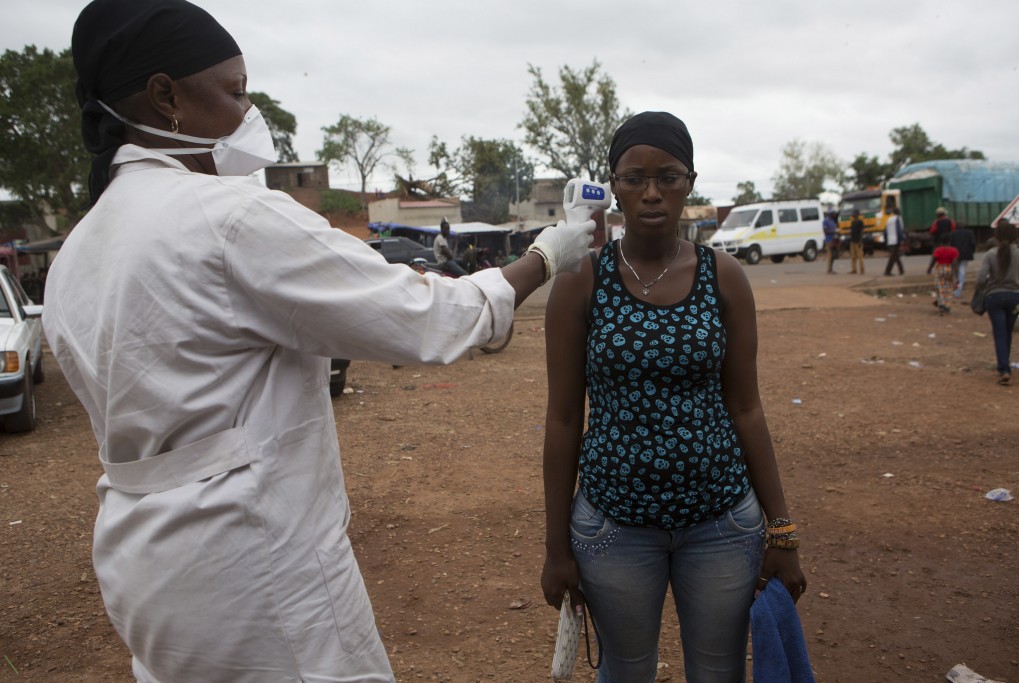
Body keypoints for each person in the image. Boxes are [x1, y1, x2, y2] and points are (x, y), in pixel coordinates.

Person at [44, 2, 597, 681]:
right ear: (167, 97)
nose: (250, 113)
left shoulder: (79, 249)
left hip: (143, 567)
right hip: (252, 564)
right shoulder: (225, 217)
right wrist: (544, 256)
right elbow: (423, 316)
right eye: (237, 90)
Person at [540, 111, 807, 683]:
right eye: (634, 178)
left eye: (668, 176)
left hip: (721, 524)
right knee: (626, 672)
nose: (652, 193)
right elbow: (563, 419)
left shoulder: (724, 275)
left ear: (690, 181)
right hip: (613, 526)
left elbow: (747, 408)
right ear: (613, 186)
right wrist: (555, 547)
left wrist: (781, 531)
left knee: (718, 674)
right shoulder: (580, 282)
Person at [975, 219, 1019, 385]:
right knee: (1008, 331)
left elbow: (981, 279)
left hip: (994, 298)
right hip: (1016, 297)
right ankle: (1005, 363)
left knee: (999, 332)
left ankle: (1004, 369)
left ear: (996, 236)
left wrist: (989, 284)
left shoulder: (990, 255)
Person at [932, 233, 959, 315]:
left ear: (941, 241)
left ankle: (941, 304)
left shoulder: (938, 250)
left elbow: (934, 259)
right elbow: (955, 263)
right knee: (948, 288)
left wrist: (929, 268)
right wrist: (956, 275)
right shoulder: (953, 250)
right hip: (949, 268)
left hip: (940, 268)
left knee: (940, 288)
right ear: (950, 241)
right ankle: (947, 305)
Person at [927, 207, 956, 274]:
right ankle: (951, 269)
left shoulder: (936, 222)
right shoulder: (950, 221)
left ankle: (930, 269)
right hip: (948, 241)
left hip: (938, 241)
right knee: (950, 255)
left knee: (936, 255)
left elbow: (932, 231)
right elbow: (953, 230)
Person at [949, 224, 976, 298]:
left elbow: (950, 244)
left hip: (954, 255)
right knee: (962, 272)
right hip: (965, 254)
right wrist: (972, 251)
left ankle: (949, 289)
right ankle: (957, 292)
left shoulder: (952, 233)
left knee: (953, 271)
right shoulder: (969, 233)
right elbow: (973, 243)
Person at [883, 206, 906, 276]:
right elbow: (899, 230)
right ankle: (887, 271)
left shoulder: (889, 219)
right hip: (896, 240)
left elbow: (885, 232)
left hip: (890, 240)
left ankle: (901, 270)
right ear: (898, 212)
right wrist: (902, 239)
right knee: (893, 257)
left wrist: (886, 240)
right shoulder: (898, 219)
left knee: (895, 255)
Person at [848, 208, 865, 275]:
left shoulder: (860, 222)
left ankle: (862, 270)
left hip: (858, 241)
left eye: (855, 213)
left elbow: (861, 232)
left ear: (858, 214)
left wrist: (860, 241)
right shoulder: (852, 222)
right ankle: (854, 269)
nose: (853, 215)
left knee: (860, 256)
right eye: (853, 213)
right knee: (853, 256)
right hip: (852, 241)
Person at [823, 209, 839, 274]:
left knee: (833, 255)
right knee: (830, 255)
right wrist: (834, 232)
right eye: (833, 214)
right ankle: (829, 269)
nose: (834, 215)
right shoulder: (826, 221)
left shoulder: (832, 221)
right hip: (829, 240)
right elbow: (825, 231)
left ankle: (831, 269)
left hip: (834, 240)